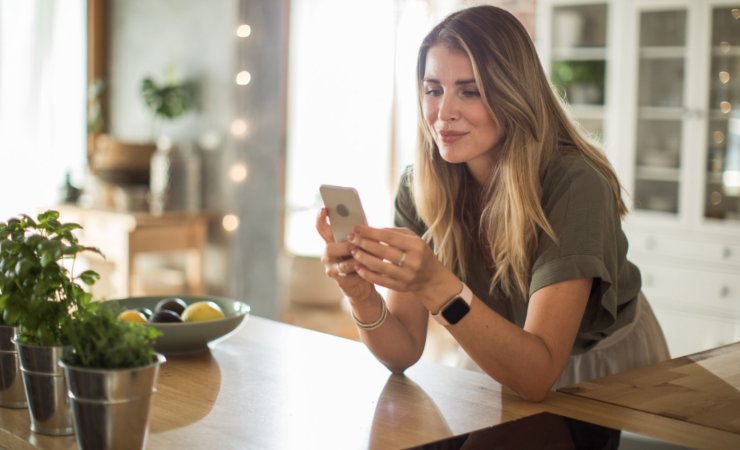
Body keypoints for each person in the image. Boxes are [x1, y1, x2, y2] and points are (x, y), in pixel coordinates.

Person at [316, 5, 669, 403]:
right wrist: (362, 295)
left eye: (470, 91)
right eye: (433, 90)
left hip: (602, 370)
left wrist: (436, 285)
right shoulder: (421, 186)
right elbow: (403, 352)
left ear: (513, 93)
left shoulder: (574, 185)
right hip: (498, 352)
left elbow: (538, 374)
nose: (443, 113)